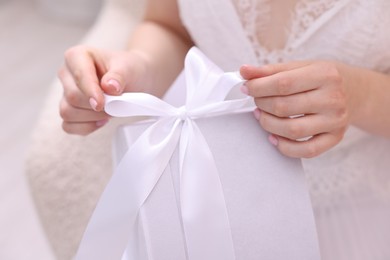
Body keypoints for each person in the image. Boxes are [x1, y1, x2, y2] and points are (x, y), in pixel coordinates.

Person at [58, 0, 390, 259]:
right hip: (211, 200)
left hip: (358, 211)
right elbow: (169, 25)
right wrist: (138, 67)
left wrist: (361, 95)